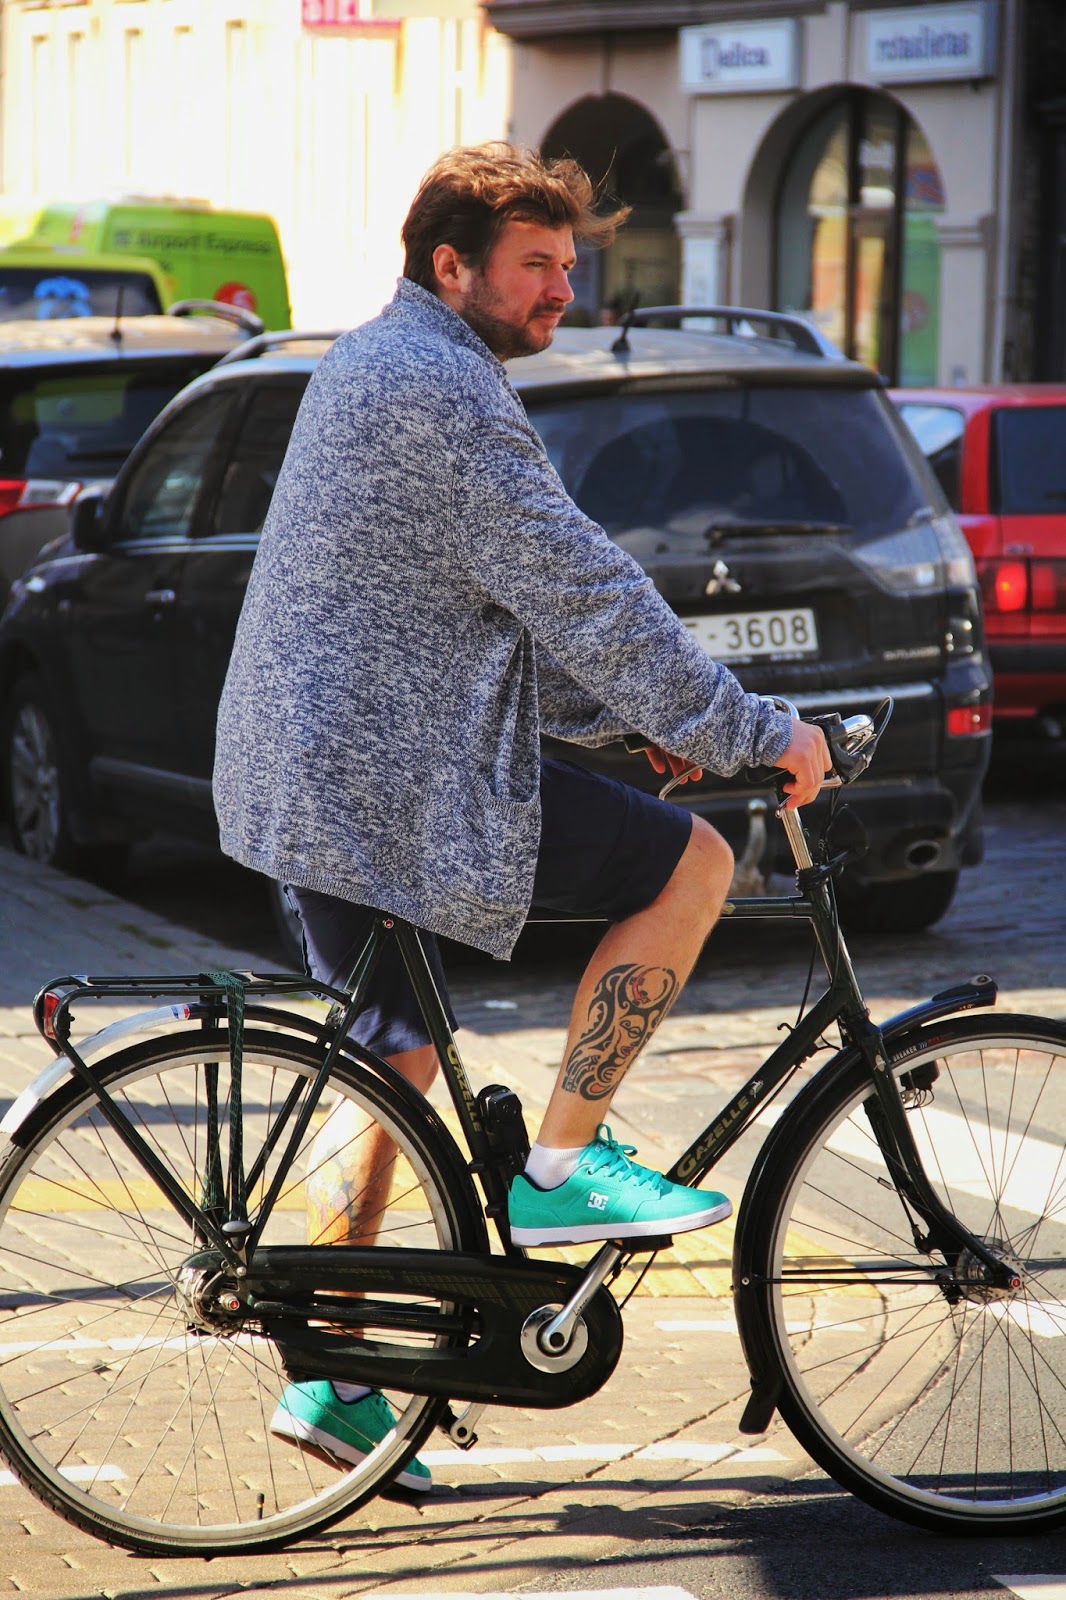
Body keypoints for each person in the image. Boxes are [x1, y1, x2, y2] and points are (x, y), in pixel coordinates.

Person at [213, 142, 830, 1488]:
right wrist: (743, 730)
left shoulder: (385, 360)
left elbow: (481, 609)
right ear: (453, 267)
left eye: (569, 265)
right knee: (692, 865)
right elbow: (583, 591)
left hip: (319, 763)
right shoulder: (441, 388)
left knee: (387, 1065)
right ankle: (562, 1164)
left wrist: (632, 723)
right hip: (387, 774)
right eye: (538, 265)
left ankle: (334, 1377)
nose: (564, 289)